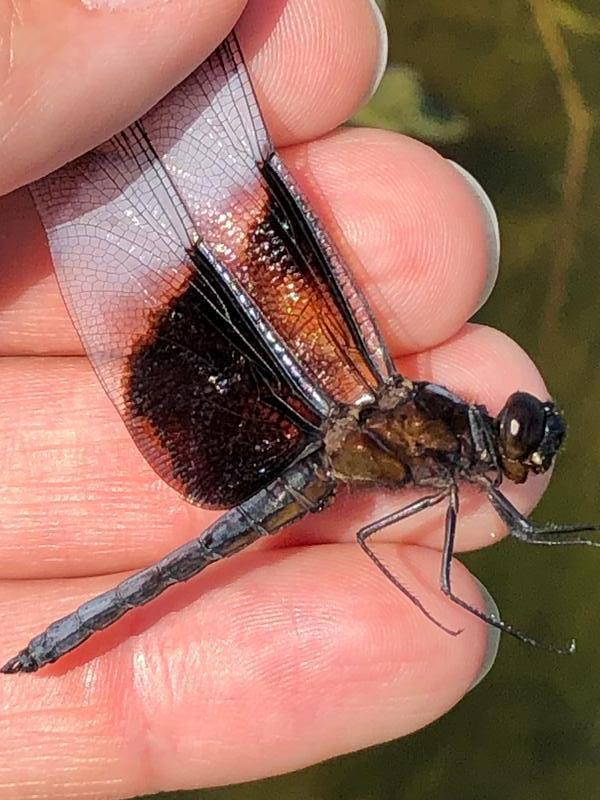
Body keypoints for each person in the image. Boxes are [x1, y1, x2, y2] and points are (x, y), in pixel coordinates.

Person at [0, 0, 551, 796]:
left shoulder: (445, 442)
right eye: (515, 438)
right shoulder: (448, 450)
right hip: (311, 447)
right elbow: (383, 535)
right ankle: (50, 648)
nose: (511, 449)